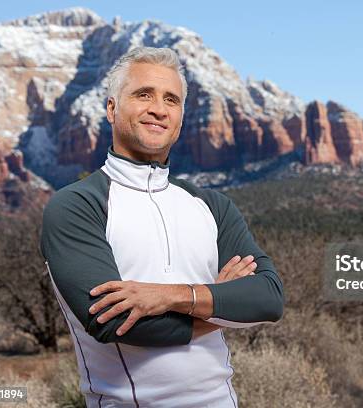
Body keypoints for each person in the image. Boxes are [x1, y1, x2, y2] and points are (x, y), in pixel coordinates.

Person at [40, 46, 284, 408]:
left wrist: (169, 295)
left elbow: (268, 298)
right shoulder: (76, 206)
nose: (159, 108)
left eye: (171, 99)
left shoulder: (212, 206)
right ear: (111, 108)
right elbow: (117, 323)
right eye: (143, 95)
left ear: (181, 117)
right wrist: (223, 304)